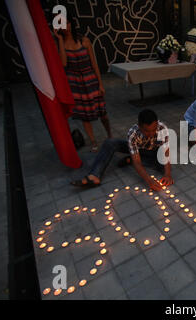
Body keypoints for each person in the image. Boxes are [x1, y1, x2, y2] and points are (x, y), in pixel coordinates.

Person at [71, 109, 173, 192]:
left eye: (153, 130)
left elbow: (166, 154)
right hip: (138, 150)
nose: (151, 134)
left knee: (162, 166)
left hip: (153, 151)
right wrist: (149, 180)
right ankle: (94, 175)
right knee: (110, 143)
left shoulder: (162, 129)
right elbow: (137, 162)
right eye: (147, 131)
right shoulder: (133, 133)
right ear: (139, 126)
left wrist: (167, 175)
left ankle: (130, 159)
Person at [54, 19, 112, 152]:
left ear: (71, 23)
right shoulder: (59, 44)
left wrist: (100, 84)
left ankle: (109, 135)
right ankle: (93, 141)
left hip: (90, 79)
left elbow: (94, 64)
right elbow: (63, 63)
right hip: (75, 83)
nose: (65, 27)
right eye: (61, 25)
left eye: (67, 23)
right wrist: (60, 40)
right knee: (84, 115)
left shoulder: (84, 40)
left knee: (102, 112)